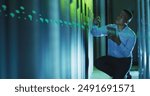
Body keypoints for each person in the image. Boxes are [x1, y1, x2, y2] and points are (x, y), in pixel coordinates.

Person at [91, 9, 136, 79]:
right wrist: (95, 25)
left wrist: (118, 41)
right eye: (119, 15)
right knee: (98, 62)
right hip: (111, 59)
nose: (118, 17)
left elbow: (126, 53)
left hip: (124, 61)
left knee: (117, 79)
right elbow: (95, 33)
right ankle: (120, 74)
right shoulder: (111, 28)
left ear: (126, 21)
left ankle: (122, 74)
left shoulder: (131, 34)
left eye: (121, 16)